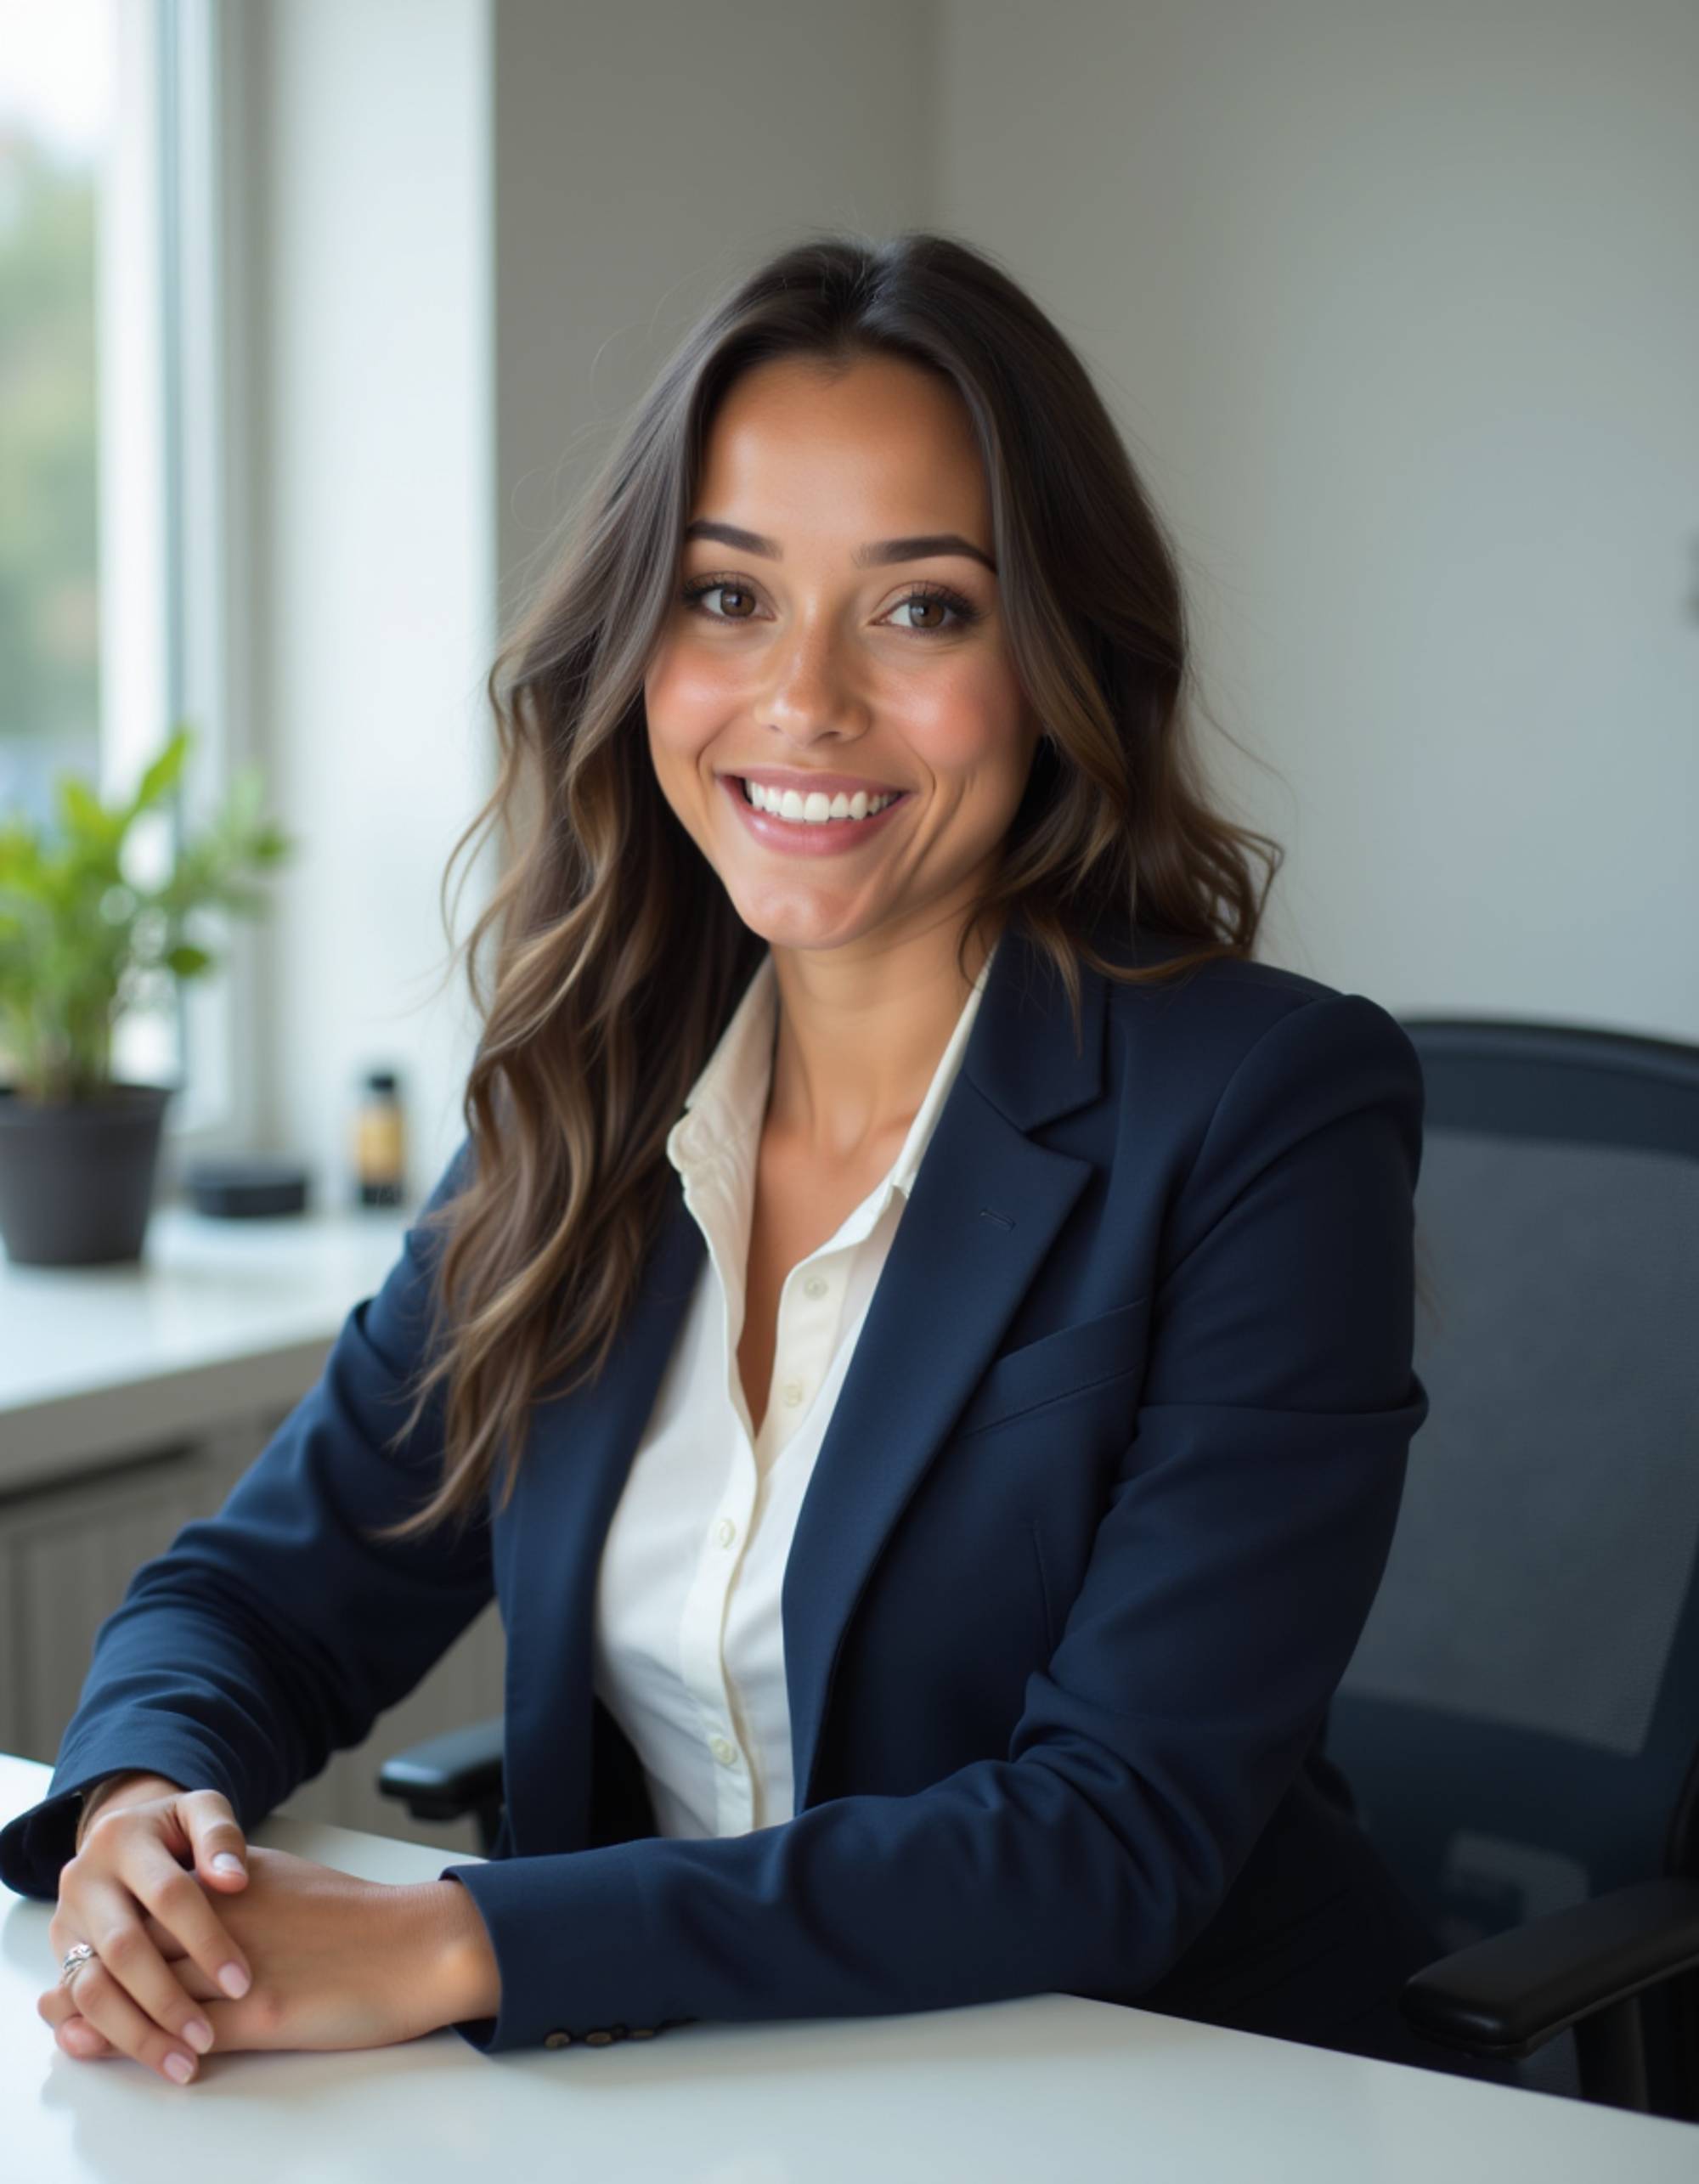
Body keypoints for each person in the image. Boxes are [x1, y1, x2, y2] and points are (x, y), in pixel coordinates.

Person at [4, 229, 1516, 2091]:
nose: (802, 699)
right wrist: (140, 1812)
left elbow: (1113, 1826)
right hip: (698, 2092)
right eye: (727, 596)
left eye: (920, 607)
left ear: (1056, 662)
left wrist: (461, 1936)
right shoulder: (594, 1092)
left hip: (1161, 2087)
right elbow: (257, 1590)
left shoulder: (1265, 1108)